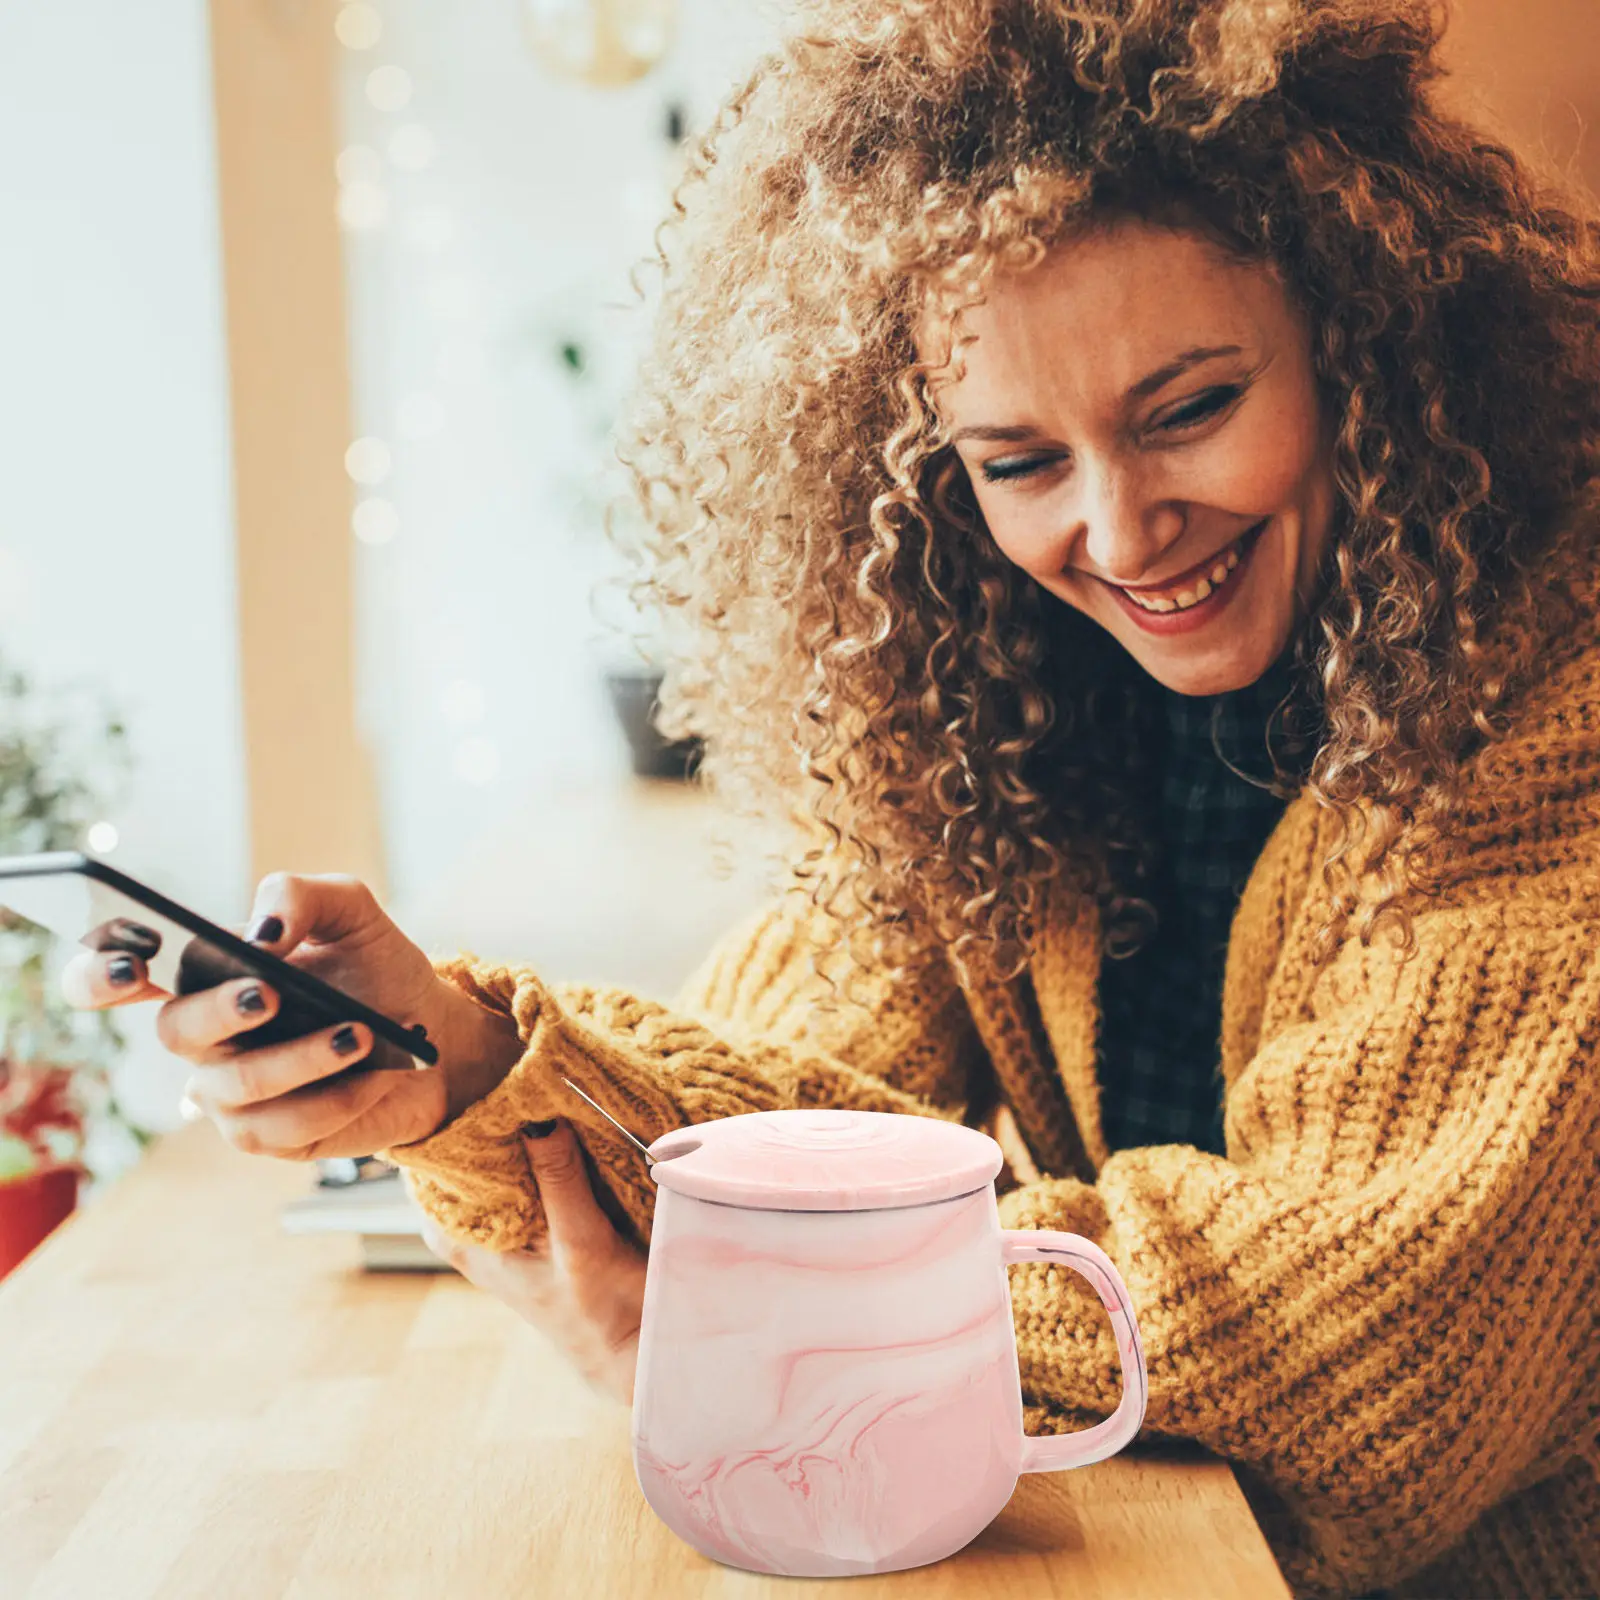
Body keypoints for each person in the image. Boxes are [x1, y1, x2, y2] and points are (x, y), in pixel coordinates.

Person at [65, 1, 1600, 1595]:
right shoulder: (998, 705)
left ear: (1371, 335)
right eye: (1018, 462)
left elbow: (1357, 1364)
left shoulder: (1559, 710)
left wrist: (757, 1322)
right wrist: (456, 1063)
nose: (1126, 534)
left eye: (1190, 410)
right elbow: (777, 1116)